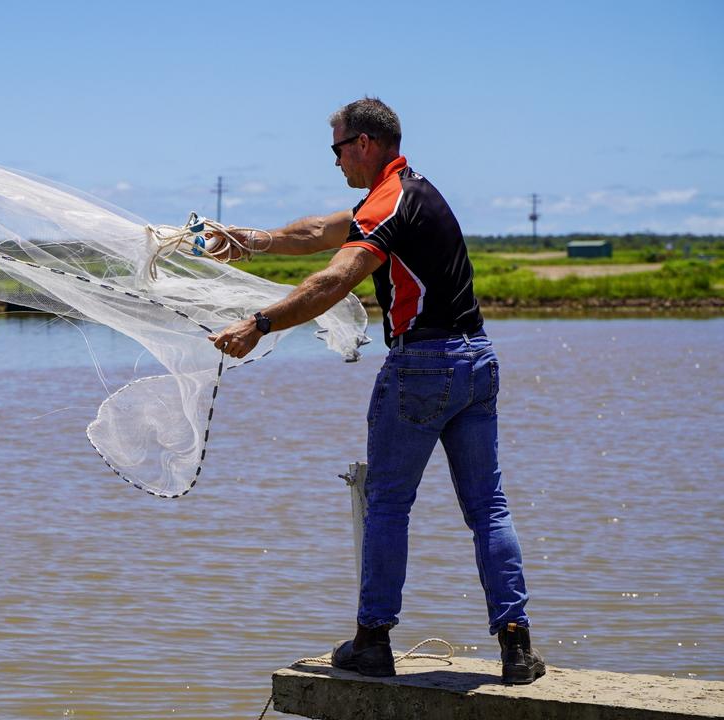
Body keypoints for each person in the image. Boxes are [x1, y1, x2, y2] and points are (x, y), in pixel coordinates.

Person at [206, 97, 545, 685]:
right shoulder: (410, 191)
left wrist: (258, 324)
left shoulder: (388, 203)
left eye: (336, 148)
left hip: (423, 369)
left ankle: (372, 642)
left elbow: (335, 277)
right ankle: (516, 649)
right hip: (477, 362)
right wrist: (247, 240)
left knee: (388, 505)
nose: (334, 161)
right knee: (489, 509)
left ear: (363, 143)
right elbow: (318, 231)